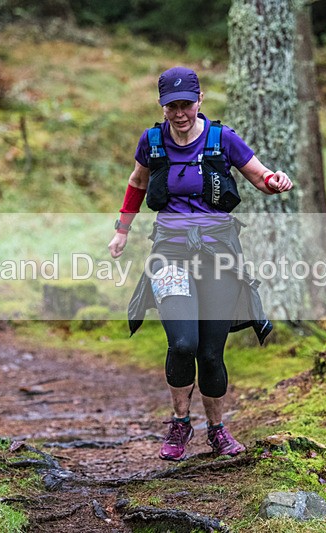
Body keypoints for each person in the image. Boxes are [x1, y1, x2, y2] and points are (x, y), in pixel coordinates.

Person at [108, 66, 293, 461]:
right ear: (161, 107)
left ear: (200, 101)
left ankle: (217, 430)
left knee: (211, 352)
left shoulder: (222, 139)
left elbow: (259, 176)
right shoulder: (152, 142)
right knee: (183, 342)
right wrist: (122, 230)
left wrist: (275, 181)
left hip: (219, 255)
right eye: (171, 106)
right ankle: (179, 423)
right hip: (170, 254)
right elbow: (138, 182)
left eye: (186, 105)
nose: (179, 114)